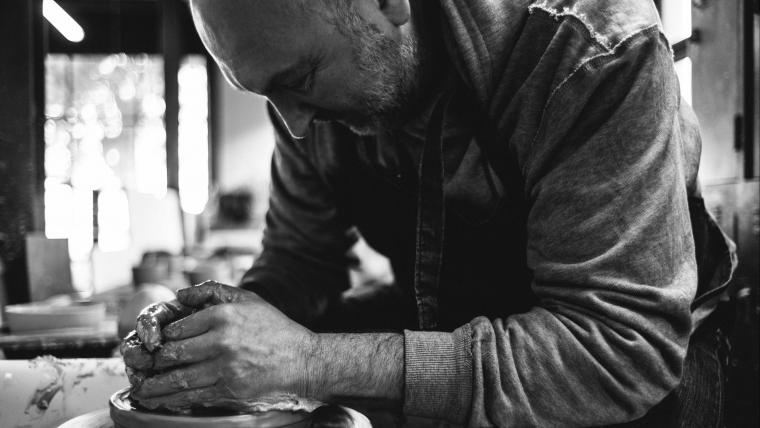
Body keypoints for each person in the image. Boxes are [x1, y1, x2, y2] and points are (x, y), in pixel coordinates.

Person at [121, 0, 737, 426]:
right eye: (266, 94)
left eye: (300, 77)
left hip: (631, 360)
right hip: (451, 321)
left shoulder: (591, 53)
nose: (294, 124)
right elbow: (300, 260)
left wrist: (308, 360)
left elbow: (614, 349)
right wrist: (217, 334)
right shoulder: (301, 92)